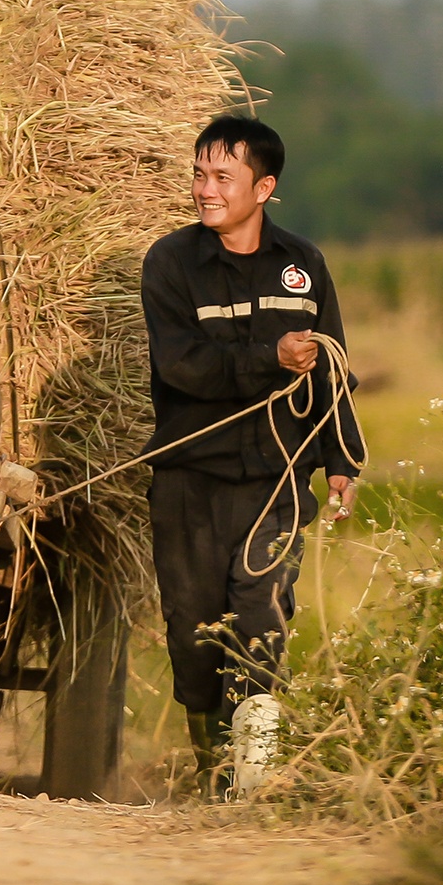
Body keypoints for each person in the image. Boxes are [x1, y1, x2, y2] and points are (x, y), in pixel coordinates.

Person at [140, 114, 364, 795]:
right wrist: (269, 356)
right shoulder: (170, 263)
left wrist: (342, 459)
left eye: (222, 177)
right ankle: (213, 768)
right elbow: (182, 366)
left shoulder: (304, 267)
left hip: (277, 478)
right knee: (195, 634)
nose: (206, 189)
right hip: (189, 477)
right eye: (200, 174)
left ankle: (254, 784)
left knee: (261, 612)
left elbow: (332, 368)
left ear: (263, 187)